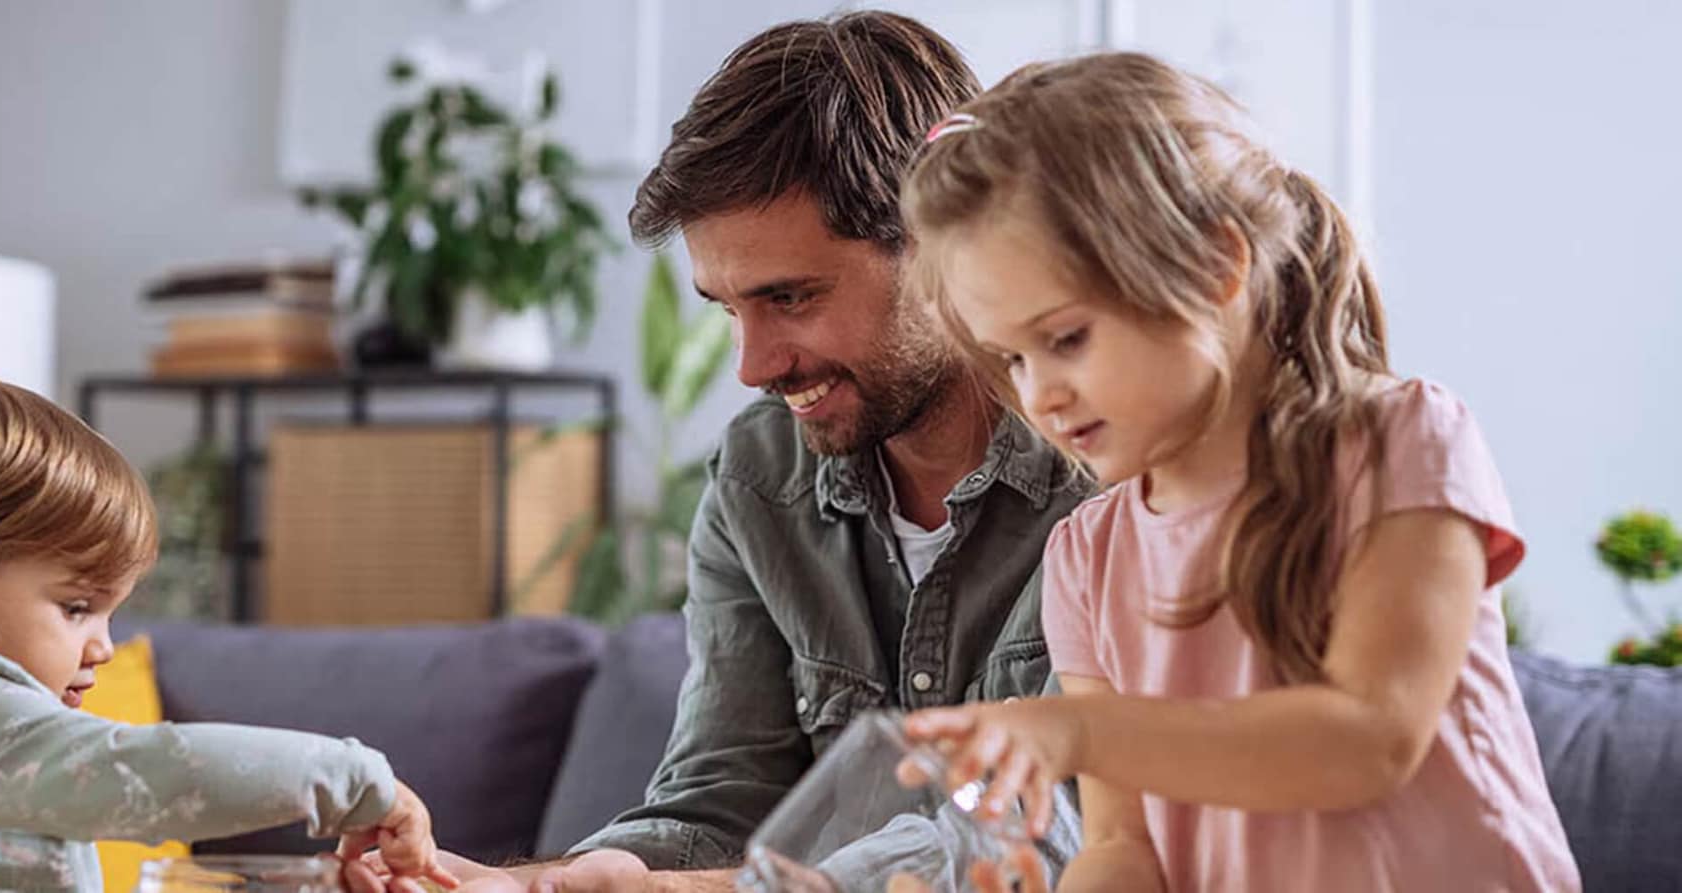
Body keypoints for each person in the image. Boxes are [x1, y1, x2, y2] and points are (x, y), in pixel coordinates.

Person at [379, 11, 1091, 893]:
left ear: (946, 245)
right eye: (726, 308)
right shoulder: (762, 477)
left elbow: (1051, 834)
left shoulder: (1116, 487)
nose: (753, 366)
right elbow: (720, 800)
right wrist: (539, 885)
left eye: (790, 297)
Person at [898, 52, 1580, 891]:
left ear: (1217, 265)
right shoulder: (1087, 558)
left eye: (1067, 338)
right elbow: (1123, 846)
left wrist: (1082, 729)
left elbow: (1369, 739)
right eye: (1012, 358)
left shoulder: (1401, 442)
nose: (1041, 394)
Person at [0, 376, 460, 893]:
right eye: (76, 607)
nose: (102, 645)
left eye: (108, 613)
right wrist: (356, 780)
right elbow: (155, 770)